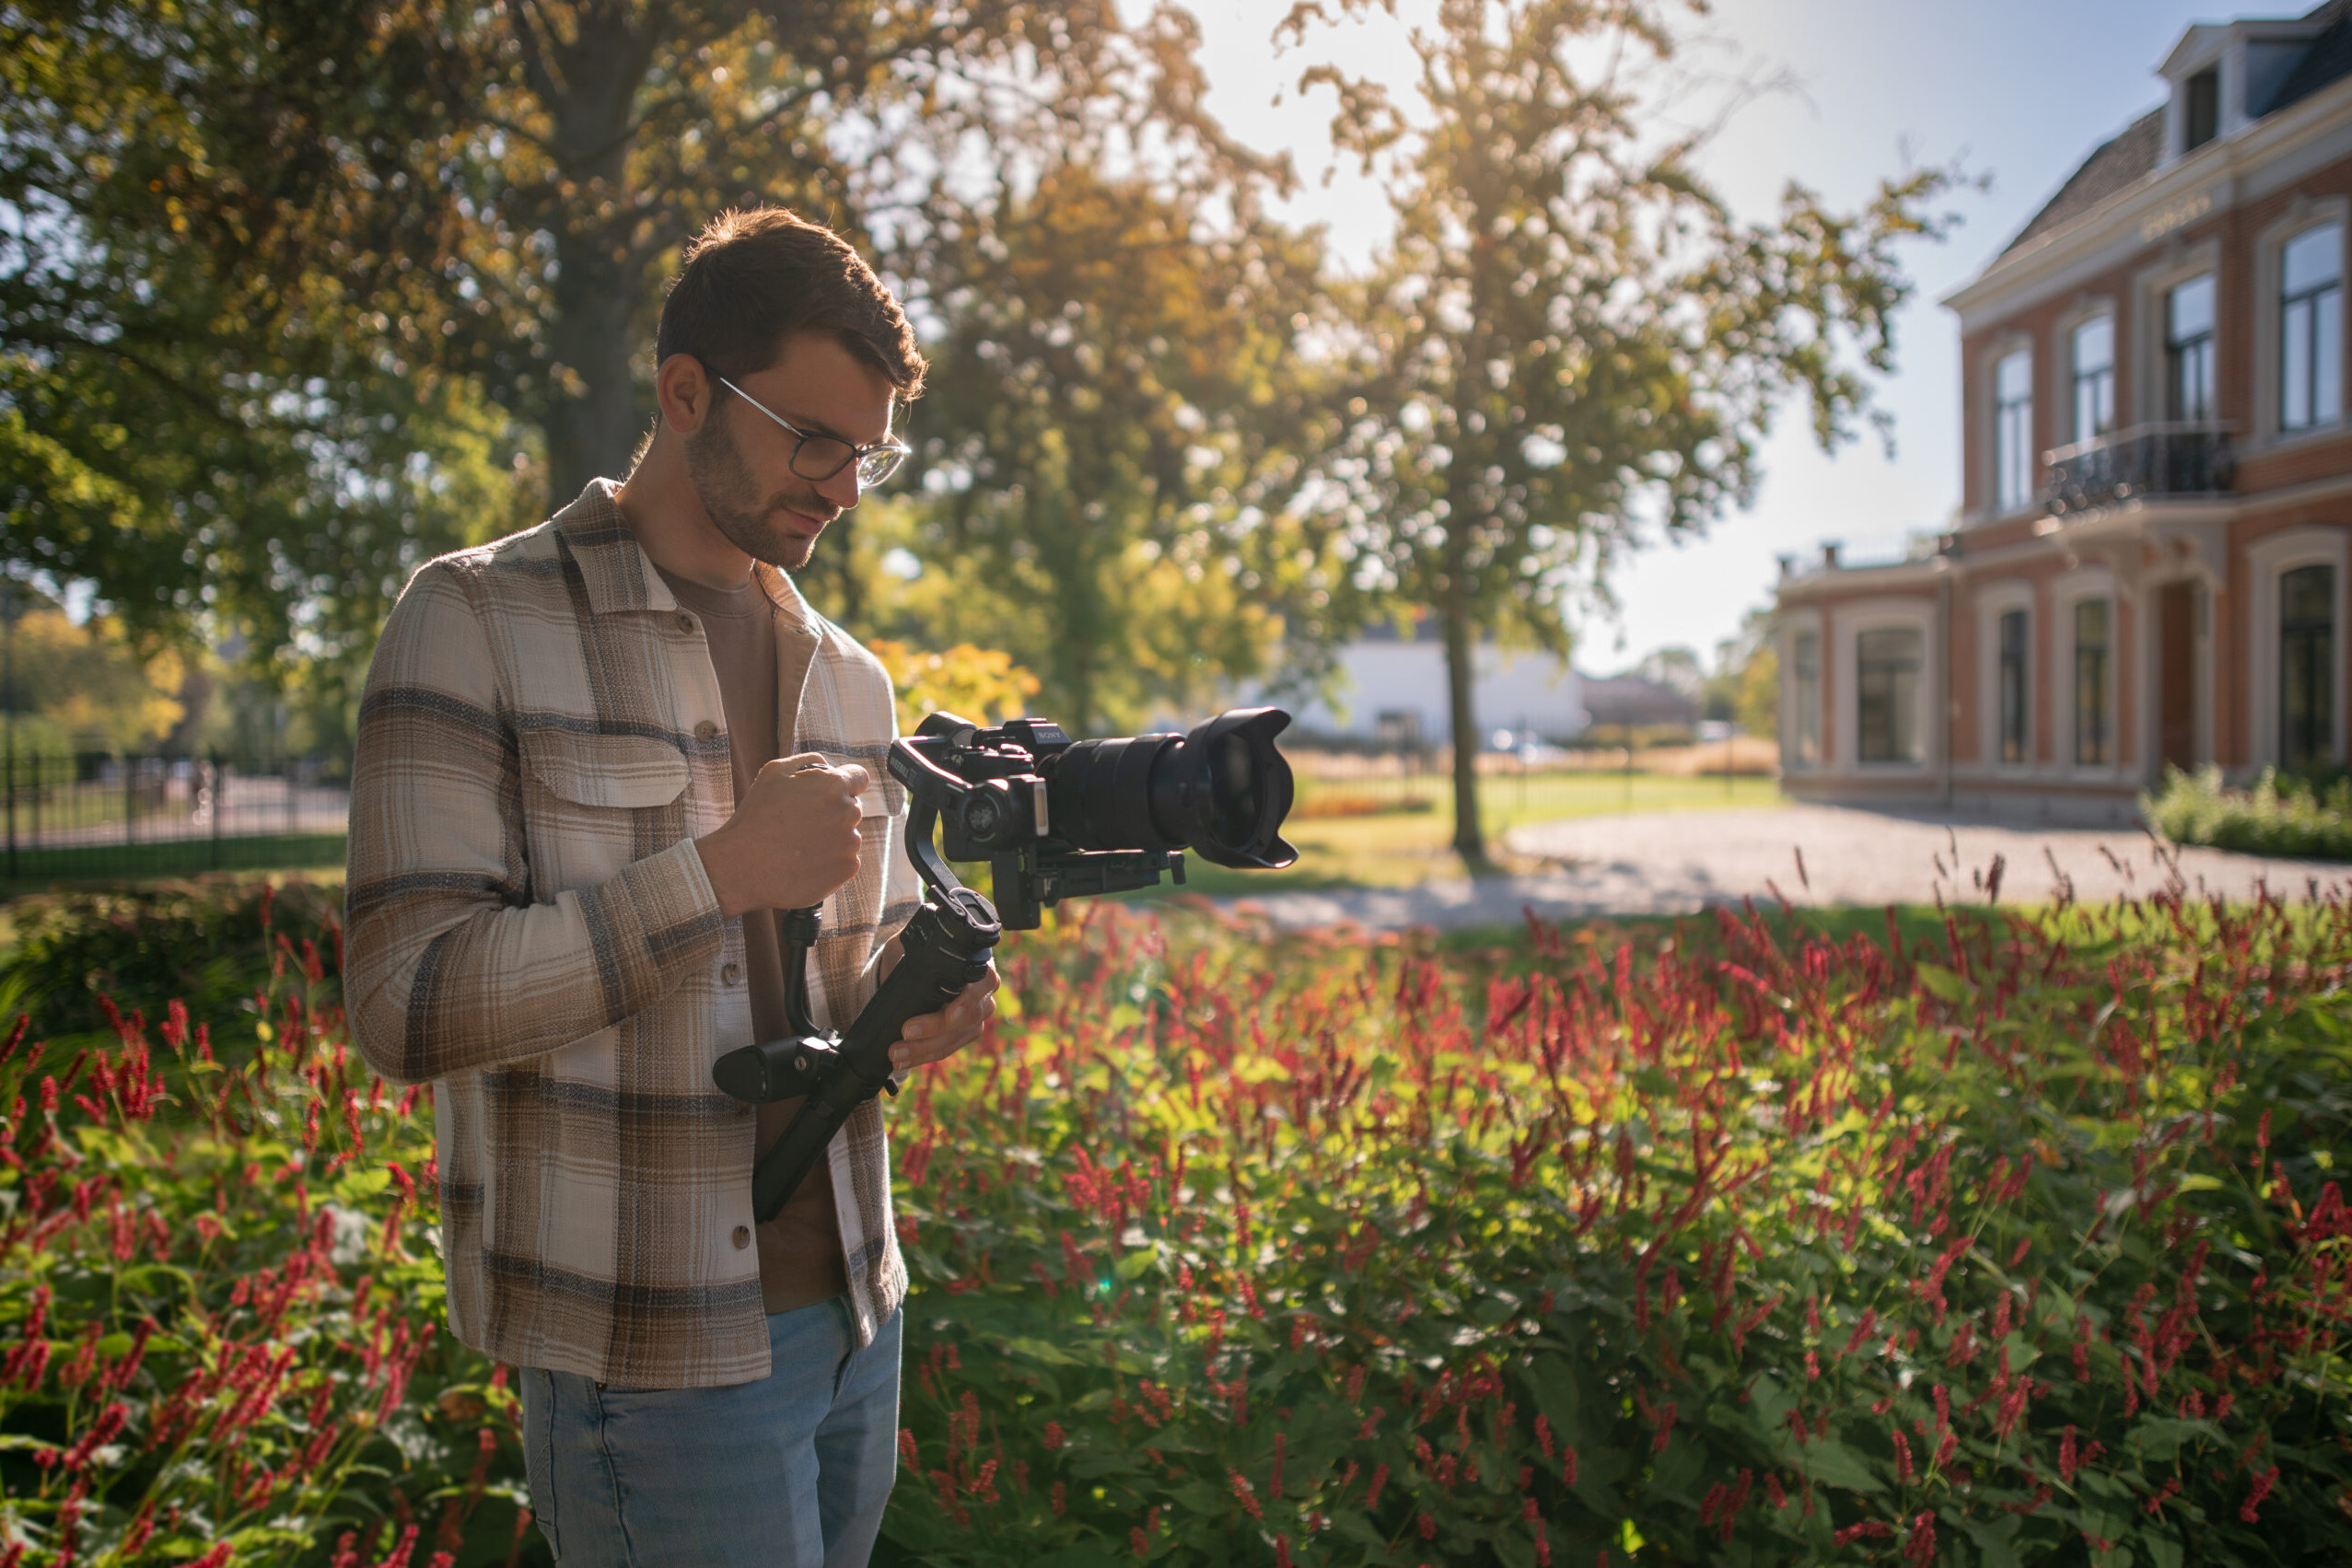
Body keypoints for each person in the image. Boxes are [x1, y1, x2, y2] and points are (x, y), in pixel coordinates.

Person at [343, 206, 998, 1568]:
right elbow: (403, 1006)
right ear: (684, 391)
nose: (843, 485)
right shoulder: (471, 620)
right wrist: (706, 878)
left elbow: (836, 976)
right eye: (811, 437)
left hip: (859, 1320)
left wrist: (924, 1004)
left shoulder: (849, 674)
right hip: (648, 1342)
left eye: (867, 452)